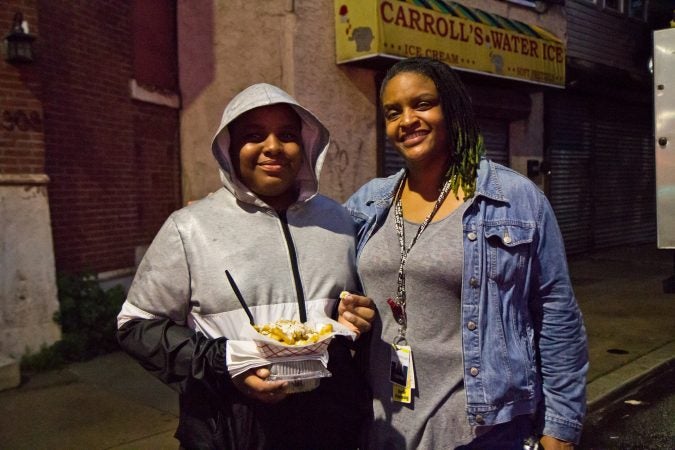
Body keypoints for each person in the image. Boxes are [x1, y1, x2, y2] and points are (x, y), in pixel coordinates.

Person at [343, 57, 589, 449]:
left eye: (422, 104)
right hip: (384, 427)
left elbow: (556, 313)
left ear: (452, 109)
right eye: (393, 112)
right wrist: (347, 310)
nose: (407, 120)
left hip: (482, 431)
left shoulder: (514, 200)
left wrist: (560, 427)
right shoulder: (368, 203)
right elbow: (337, 290)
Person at [117, 83, 373, 450]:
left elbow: (351, 316)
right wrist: (227, 362)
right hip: (230, 428)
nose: (273, 147)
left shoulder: (339, 221)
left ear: (305, 146)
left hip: (331, 425)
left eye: (287, 135)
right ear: (230, 150)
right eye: (254, 136)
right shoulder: (189, 228)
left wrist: (356, 319)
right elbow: (134, 326)